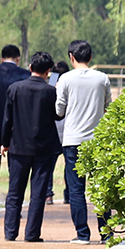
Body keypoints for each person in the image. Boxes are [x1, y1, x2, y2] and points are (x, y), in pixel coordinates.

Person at [1, 52, 61, 243]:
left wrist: (5, 142)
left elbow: (7, 119)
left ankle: (10, 232)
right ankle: (32, 233)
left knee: (14, 191)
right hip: (44, 148)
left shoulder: (15, 88)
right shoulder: (50, 92)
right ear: (48, 71)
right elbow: (57, 115)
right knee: (38, 193)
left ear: (30, 67)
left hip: (18, 147)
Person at [56, 40, 112, 245]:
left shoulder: (65, 79)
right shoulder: (102, 78)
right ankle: (106, 233)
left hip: (73, 140)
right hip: (97, 140)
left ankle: (82, 234)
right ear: (90, 57)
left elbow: (59, 111)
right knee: (100, 187)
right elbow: (108, 107)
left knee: (76, 189)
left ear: (71, 57)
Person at [0, 45, 30, 215]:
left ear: (2, 58)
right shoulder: (25, 74)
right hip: (17, 128)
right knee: (15, 169)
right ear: (18, 59)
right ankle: (14, 206)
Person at [45, 60, 71, 205]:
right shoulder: (70, 84)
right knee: (70, 165)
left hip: (53, 129)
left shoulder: (50, 86)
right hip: (68, 128)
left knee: (49, 165)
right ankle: (69, 194)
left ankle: (48, 194)